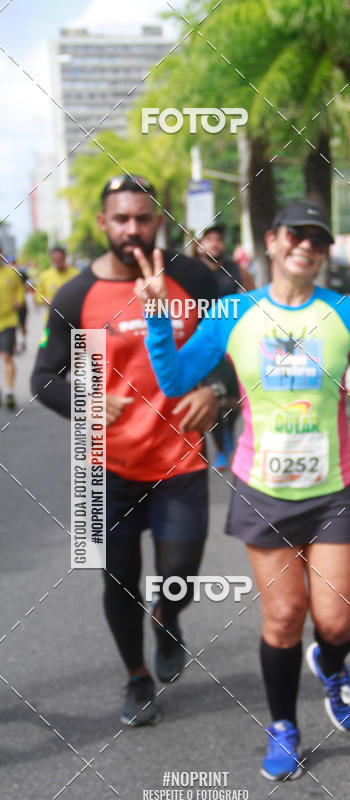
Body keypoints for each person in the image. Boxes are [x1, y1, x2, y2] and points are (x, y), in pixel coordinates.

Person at [143, 200, 350, 780]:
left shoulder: (348, 316)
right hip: (262, 489)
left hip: (331, 489)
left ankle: (332, 666)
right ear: (271, 240)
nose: (307, 246)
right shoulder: (232, 313)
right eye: (297, 234)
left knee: (335, 623)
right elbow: (175, 380)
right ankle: (284, 726)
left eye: (319, 238)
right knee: (284, 616)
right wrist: (160, 322)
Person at [31, 174, 220, 726]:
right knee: (117, 578)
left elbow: (236, 338)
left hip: (179, 459)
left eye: (142, 218)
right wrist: (85, 403)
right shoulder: (75, 295)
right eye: (121, 219)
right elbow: (45, 377)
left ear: (158, 220)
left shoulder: (191, 278)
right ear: (103, 225)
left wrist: (217, 388)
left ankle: (168, 617)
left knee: (179, 572)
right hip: (101, 467)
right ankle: (137, 679)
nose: (132, 229)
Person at [192, 225, 255, 470]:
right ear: (199, 245)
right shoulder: (192, 272)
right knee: (214, 397)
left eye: (218, 239)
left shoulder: (237, 270)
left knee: (236, 398)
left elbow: (255, 299)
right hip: (204, 345)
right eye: (209, 239)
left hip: (235, 343)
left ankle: (229, 431)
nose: (215, 244)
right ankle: (222, 447)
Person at [0, 250, 25, 409]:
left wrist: (19, 301)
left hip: (8, 321)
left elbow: (20, 290)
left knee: (7, 356)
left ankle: (9, 391)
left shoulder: (11, 272)